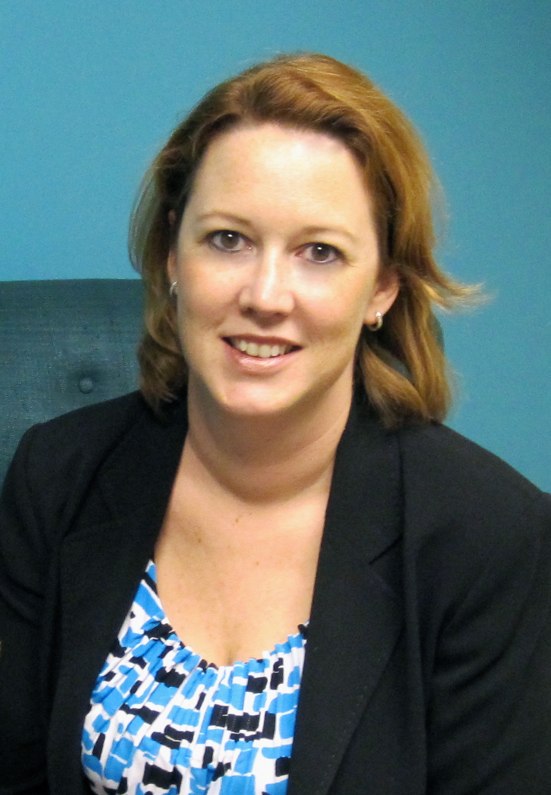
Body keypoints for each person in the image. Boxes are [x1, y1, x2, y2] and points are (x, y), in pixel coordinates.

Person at [0, 52, 550, 795]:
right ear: (170, 250)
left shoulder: (489, 536)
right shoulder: (56, 474)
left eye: (319, 252)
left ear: (381, 286)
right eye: (227, 238)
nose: (265, 294)